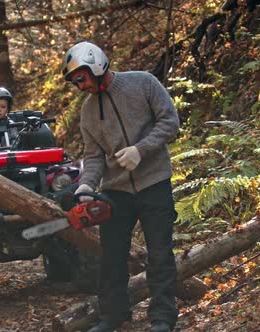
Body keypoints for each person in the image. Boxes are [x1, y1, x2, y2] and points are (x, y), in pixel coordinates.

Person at [61, 41, 180, 332]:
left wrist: (141, 149)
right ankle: (114, 315)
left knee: (160, 252)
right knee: (112, 256)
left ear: (97, 65)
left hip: (154, 182)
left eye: (81, 78)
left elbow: (170, 121)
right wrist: (86, 186)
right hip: (115, 192)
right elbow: (93, 156)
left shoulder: (143, 83)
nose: (80, 86)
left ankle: (163, 318)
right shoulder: (88, 112)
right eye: (75, 82)